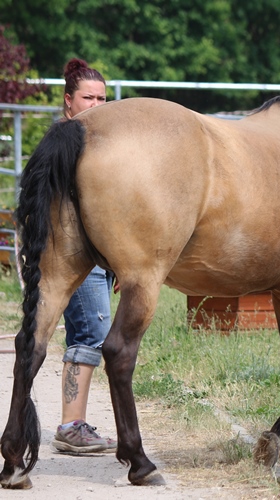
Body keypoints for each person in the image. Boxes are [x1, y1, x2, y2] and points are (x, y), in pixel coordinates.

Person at [49, 58, 117, 454]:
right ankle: (71, 427)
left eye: (103, 98)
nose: (97, 105)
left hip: (99, 256)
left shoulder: (101, 144)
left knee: (85, 334)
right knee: (92, 334)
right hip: (77, 255)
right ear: (68, 102)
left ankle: (71, 425)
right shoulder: (64, 143)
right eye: (88, 97)